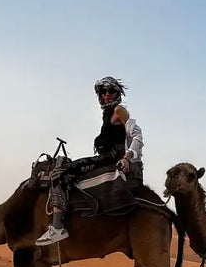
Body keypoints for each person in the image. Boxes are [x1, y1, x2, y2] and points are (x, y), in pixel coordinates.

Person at [36, 76, 143, 247]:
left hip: (111, 156)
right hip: (107, 155)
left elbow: (136, 135)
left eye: (111, 91)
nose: (106, 94)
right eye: (103, 91)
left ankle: (57, 227)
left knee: (61, 173)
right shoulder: (107, 114)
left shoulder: (118, 110)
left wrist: (127, 157)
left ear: (117, 93)